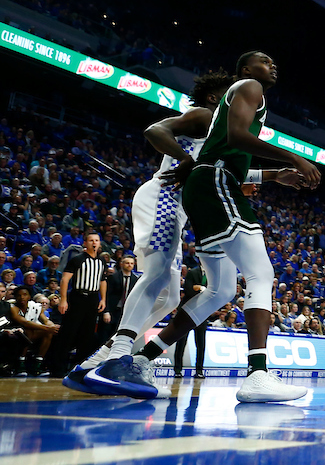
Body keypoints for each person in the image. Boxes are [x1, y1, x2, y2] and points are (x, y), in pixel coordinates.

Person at [90, 51, 321, 402]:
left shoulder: (227, 111)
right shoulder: (249, 87)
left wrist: (276, 175)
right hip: (196, 187)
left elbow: (227, 155)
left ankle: (140, 358)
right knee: (260, 274)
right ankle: (257, 373)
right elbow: (235, 140)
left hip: (202, 188)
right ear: (244, 70)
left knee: (221, 289)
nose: (273, 64)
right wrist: (294, 157)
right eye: (264, 60)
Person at [63, 71, 238, 394]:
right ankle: (118, 357)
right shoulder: (203, 115)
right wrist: (185, 159)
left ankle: (90, 366)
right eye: (231, 93)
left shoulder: (220, 133)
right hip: (162, 198)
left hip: (178, 210)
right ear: (215, 97)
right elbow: (154, 129)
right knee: (156, 275)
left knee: (170, 294)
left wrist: (278, 174)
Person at [50, 231, 106, 376]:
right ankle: (57, 368)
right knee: (68, 332)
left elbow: (103, 281)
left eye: (97, 240)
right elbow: (65, 280)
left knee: (87, 335)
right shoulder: (77, 259)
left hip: (93, 298)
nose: (94, 243)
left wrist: (103, 299)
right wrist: (63, 300)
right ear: (85, 243)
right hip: (77, 297)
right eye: (91, 240)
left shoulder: (101, 261)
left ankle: (81, 368)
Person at [8, 286, 58, 374]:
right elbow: (25, 323)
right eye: (19, 295)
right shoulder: (12, 307)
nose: (22, 297)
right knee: (28, 330)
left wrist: (52, 326)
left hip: (31, 333)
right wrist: (48, 328)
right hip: (14, 334)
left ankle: (38, 363)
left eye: (24, 295)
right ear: (15, 297)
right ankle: (20, 363)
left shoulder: (36, 306)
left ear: (29, 296)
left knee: (48, 333)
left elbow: (45, 320)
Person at [174, 264, 209, 378]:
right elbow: (188, 290)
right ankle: (178, 369)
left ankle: (199, 370)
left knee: (201, 343)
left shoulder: (213, 275)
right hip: (188, 310)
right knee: (181, 341)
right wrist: (199, 289)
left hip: (202, 312)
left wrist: (198, 288)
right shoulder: (192, 272)